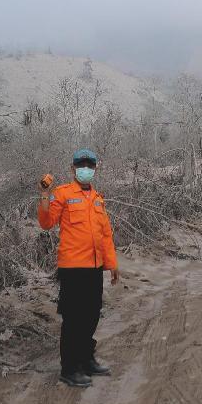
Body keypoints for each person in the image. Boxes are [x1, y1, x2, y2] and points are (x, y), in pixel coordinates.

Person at [38, 148, 120, 387]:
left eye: (90, 165)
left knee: (92, 315)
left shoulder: (97, 198)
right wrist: (44, 194)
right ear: (73, 169)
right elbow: (46, 223)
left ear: (95, 168)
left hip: (94, 267)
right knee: (74, 319)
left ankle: (86, 360)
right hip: (73, 267)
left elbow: (105, 234)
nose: (86, 168)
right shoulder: (62, 194)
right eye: (81, 164)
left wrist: (112, 263)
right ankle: (69, 368)